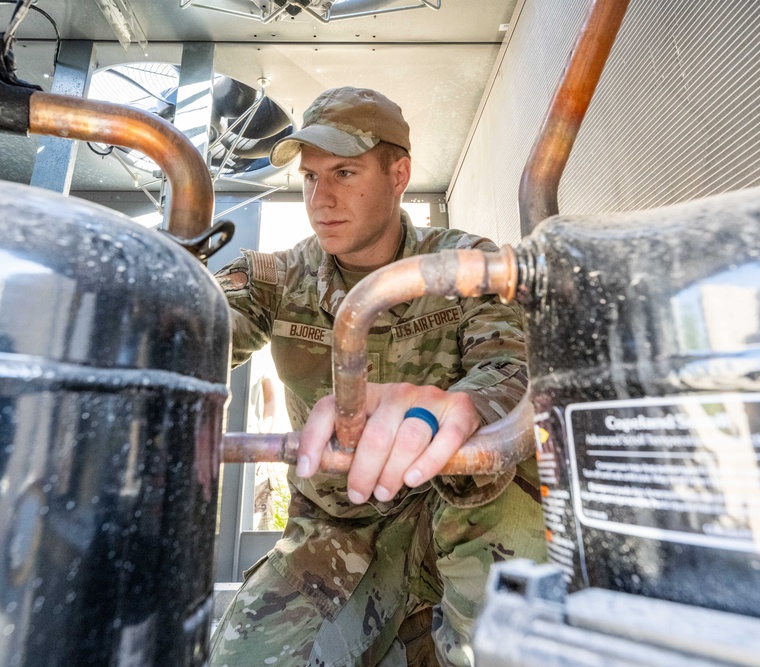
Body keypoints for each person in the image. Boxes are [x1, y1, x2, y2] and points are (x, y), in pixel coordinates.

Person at [211, 86, 546, 667]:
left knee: (527, 631)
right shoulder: (275, 278)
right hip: (338, 525)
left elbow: (509, 367)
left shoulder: (464, 262)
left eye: (343, 171)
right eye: (311, 178)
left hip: (458, 500)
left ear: (399, 173)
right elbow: (194, 334)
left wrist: (458, 409)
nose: (322, 197)